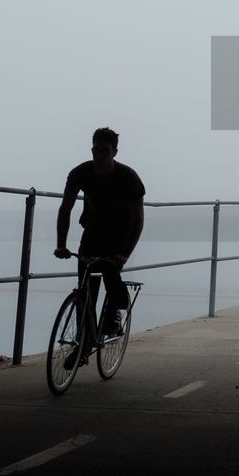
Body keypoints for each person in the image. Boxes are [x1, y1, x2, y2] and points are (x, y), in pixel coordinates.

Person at [55, 127, 146, 363]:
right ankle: (84, 344)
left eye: (105, 151)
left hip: (120, 233)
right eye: (96, 150)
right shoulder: (80, 173)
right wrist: (61, 244)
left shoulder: (128, 177)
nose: (100, 155)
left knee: (111, 272)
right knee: (86, 289)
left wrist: (125, 253)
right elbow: (66, 209)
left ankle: (115, 312)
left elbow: (138, 220)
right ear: (91, 149)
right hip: (92, 232)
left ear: (115, 152)